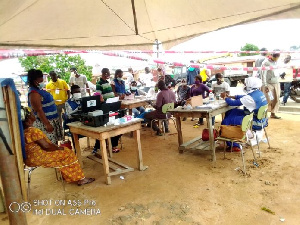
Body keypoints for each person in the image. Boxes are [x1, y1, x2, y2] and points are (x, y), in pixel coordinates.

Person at [21, 106, 95, 186]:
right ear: (28, 121)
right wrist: (58, 148)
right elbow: (46, 146)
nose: (34, 114)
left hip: (29, 159)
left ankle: (68, 175)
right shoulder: (33, 131)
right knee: (68, 152)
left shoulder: (23, 131)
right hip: (39, 158)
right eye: (32, 114)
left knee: (62, 153)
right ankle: (81, 179)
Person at [221, 77, 268, 152]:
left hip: (255, 121)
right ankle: (232, 136)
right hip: (260, 118)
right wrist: (231, 96)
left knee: (226, 121)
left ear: (250, 85)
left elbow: (232, 103)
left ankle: (235, 145)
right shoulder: (258, 92)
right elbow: (244, 97)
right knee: (231, 112)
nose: (244, 86)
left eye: (246, 84)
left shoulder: (250, 98)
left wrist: (225, 98)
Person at [27, 69, 63, 144]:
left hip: (51, 121)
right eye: (41, 80)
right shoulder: (34, 93)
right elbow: (38, 110)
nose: (42, 81)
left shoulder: (39, 90)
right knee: (49, 144)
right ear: (35, 80)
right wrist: (47, 124)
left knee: (54, 143)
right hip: (45, 122)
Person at [261, 49, 281, 119]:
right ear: (272, 55)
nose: (276, 58)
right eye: (275, 57)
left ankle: (273, 113)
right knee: (268, 99)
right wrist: (265, 85)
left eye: (278, 57)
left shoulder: (277, 62)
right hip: (268, 84)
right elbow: (263, 74)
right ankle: (263, 114)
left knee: (277, 98)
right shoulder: (266, 62)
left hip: (276, 83)